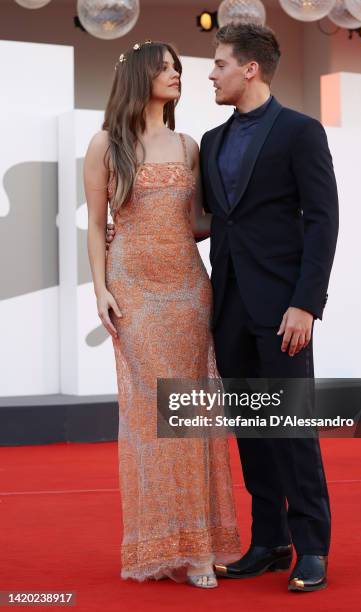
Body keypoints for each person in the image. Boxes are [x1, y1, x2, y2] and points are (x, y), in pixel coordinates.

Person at [107, 23, 339, 593]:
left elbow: (323, 221)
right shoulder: (208, 141)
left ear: (249, 69)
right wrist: (135, 231)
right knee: (252, 430)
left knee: (291, 427)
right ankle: (268, 541)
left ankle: (311, 547)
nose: (206, 75)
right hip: (226, 305)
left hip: (284, 309)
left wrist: (306, 304)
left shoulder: (301, 133)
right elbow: (213, 222)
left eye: (217, 65)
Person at [84, 40, 241, 589]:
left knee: (191, 416)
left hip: (188, 291)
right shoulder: (105, 144)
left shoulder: (189, 145)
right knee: (155, 419)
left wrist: (244, 219)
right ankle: (163, 540)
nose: (177, 74)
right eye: (166, 67)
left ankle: (197, 546)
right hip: (135, 292)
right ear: (140, 77)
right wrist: (100, 289)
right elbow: (96, 228)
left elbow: (196, 223)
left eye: (179, 67)